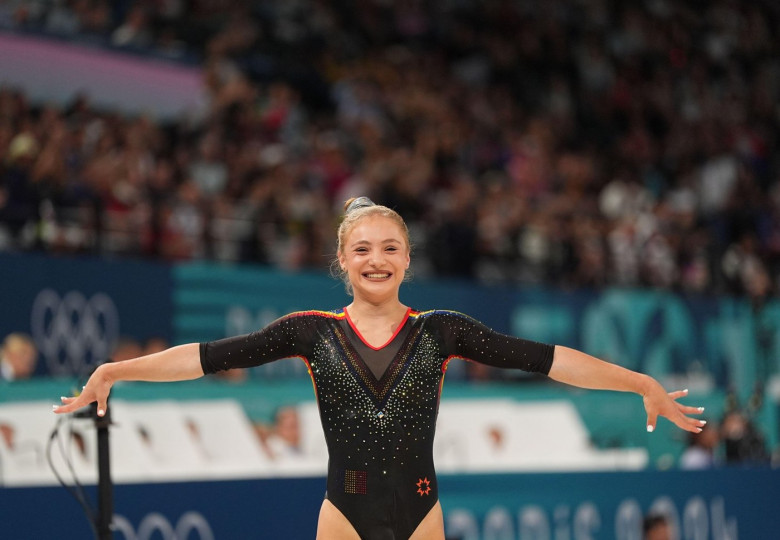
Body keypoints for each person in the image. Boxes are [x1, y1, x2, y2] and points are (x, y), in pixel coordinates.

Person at [54, 197, 706, 540]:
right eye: (362, 249)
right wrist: (117, 370)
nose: (376, 258)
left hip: (422, 514)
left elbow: (550, 361)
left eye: (390, 247)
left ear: (407, 259)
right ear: (342, 260)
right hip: (345, 512)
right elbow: (203, 359)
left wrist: (638, 382)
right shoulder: (311, 333)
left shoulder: (440, 331)